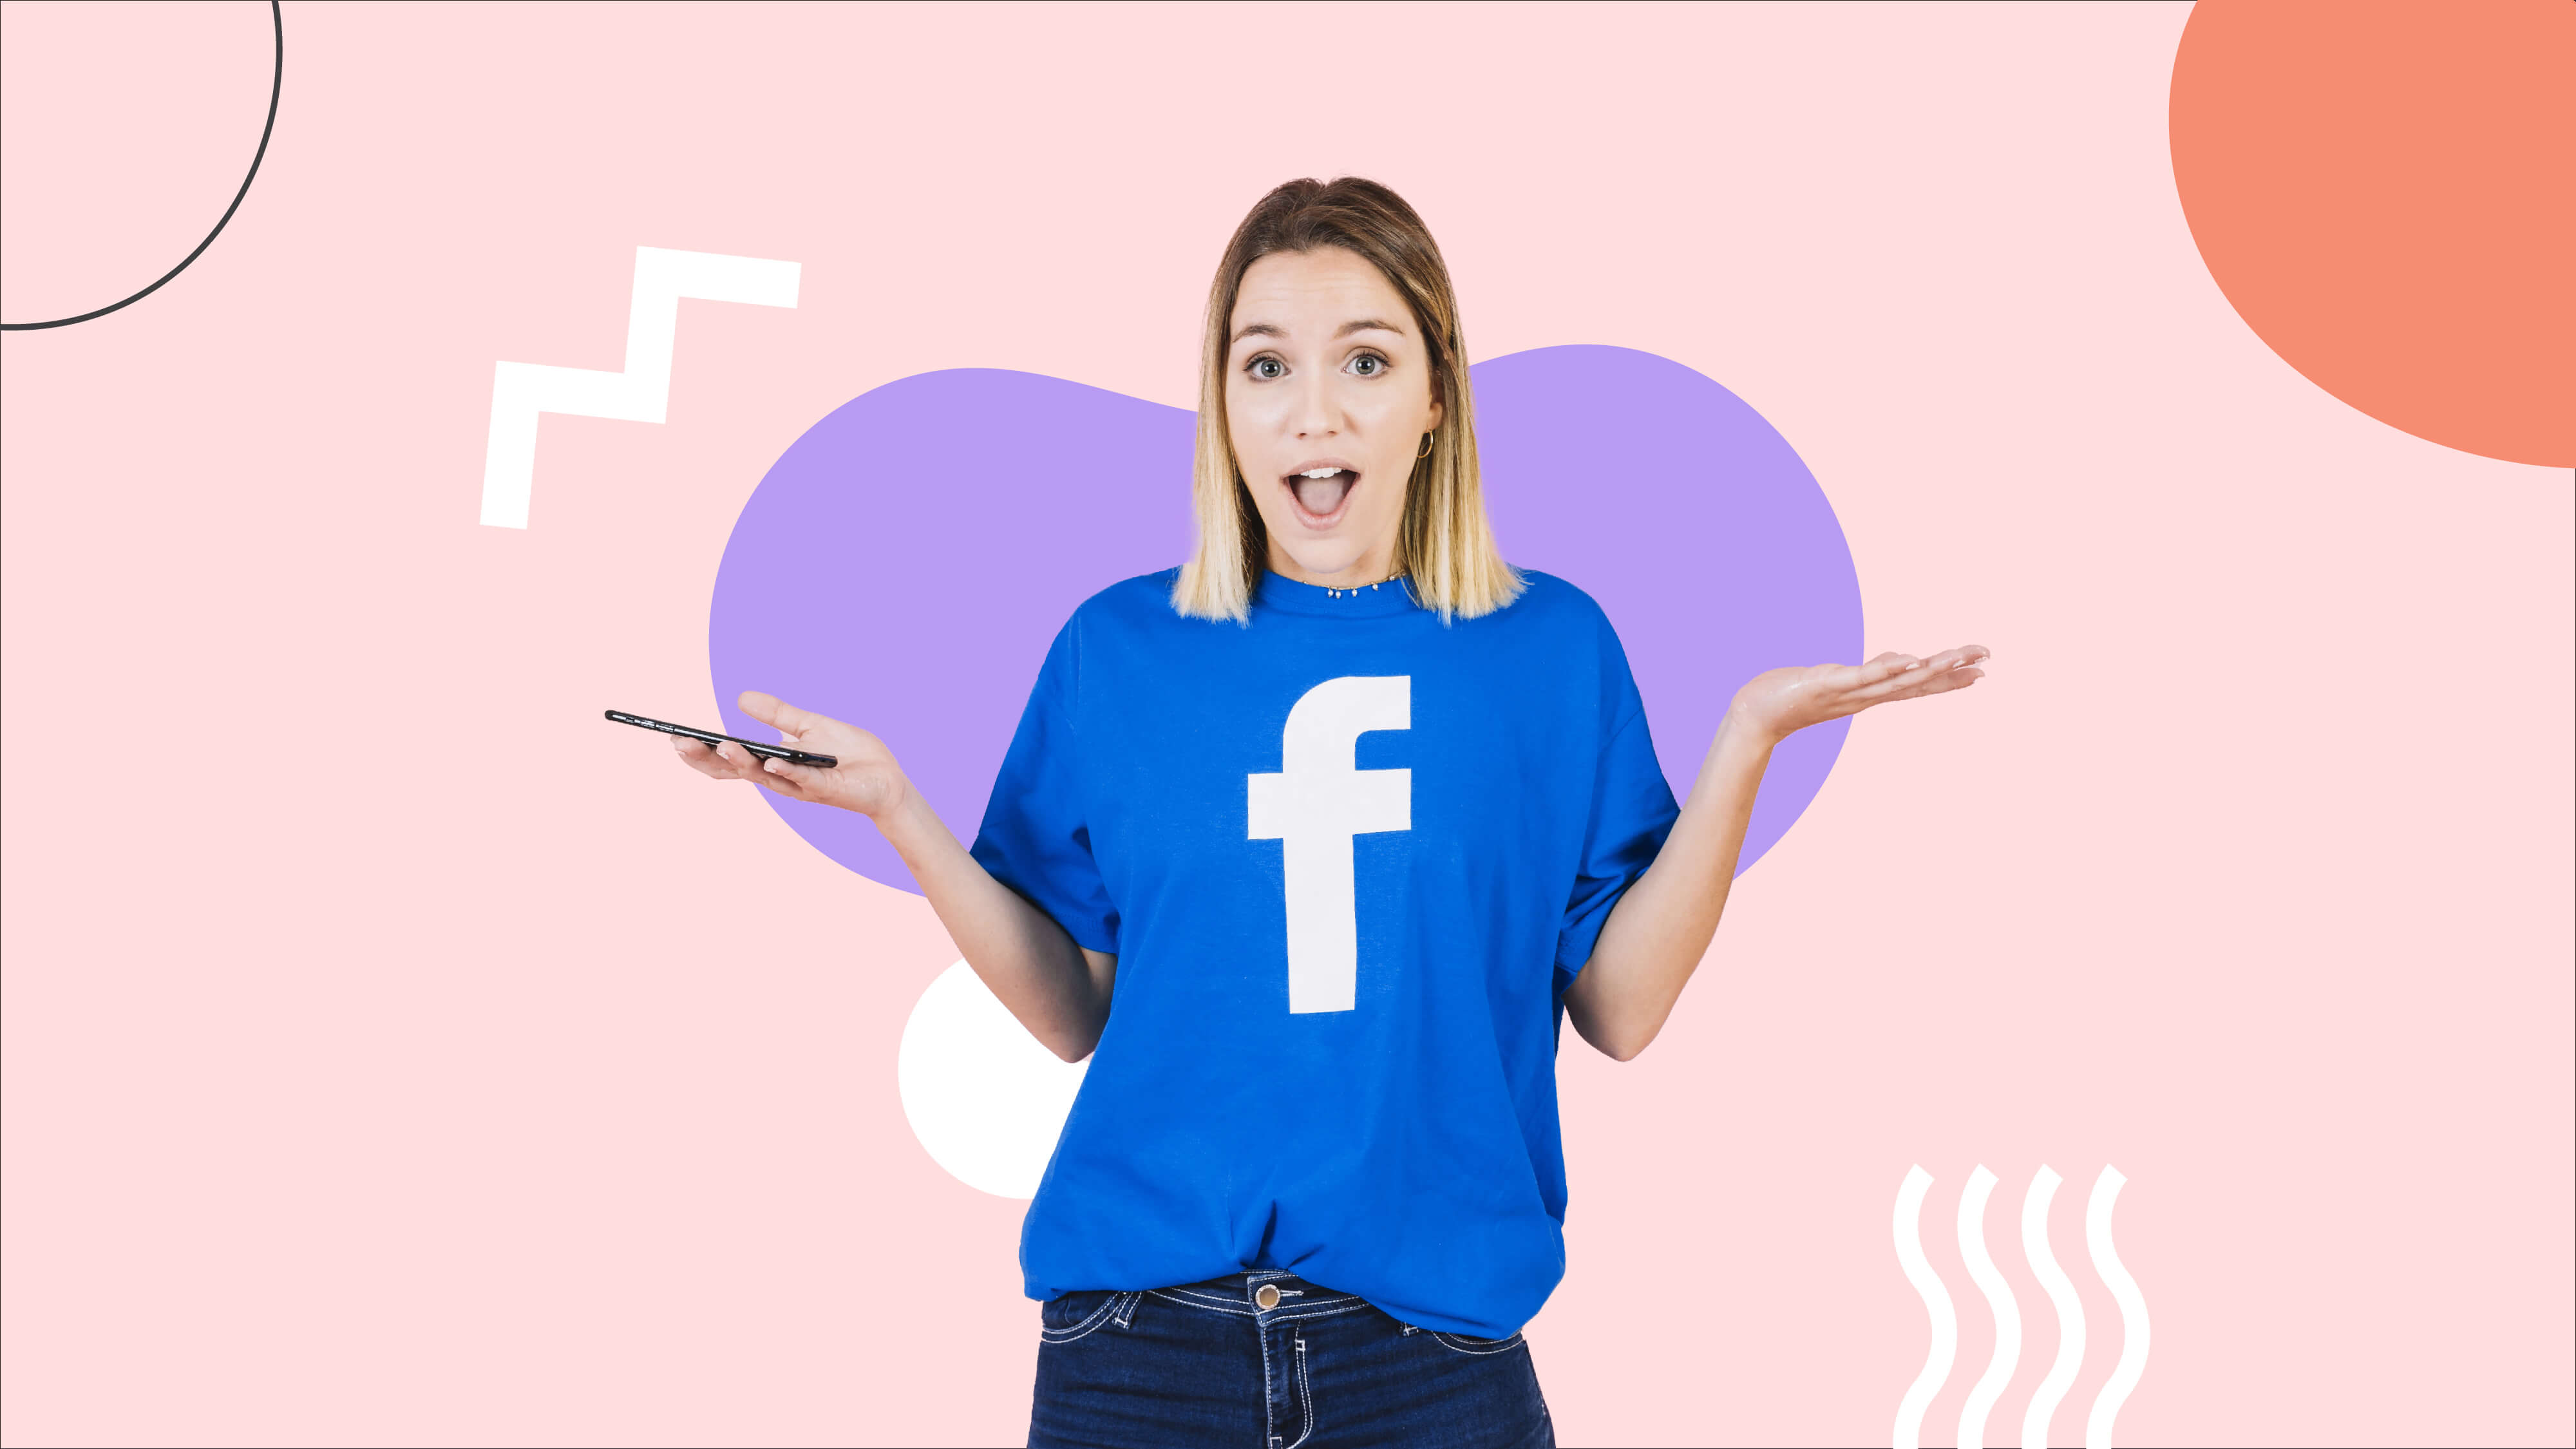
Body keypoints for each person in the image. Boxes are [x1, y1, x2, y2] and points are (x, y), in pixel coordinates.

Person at [674, 176, 1987, 1449]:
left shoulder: (1549, 650)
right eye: (1265, 366)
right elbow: (1075, 1013)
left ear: (1435, 398)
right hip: (1134, 1358)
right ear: (1221, 404)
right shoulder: (1114, 651)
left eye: (1363, 362)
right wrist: (901, 810)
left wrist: (1743, 743)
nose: (1313, 415)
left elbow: (1622, 1010)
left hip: (1432, 1363)